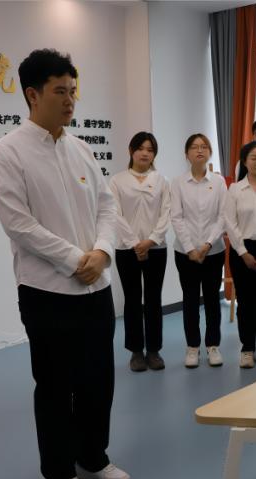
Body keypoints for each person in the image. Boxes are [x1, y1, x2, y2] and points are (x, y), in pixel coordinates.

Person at [0, 48, 128, 479]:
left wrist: (102, 251)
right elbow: (18, 223)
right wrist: (75, 259)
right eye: (59, 92)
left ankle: (93, 457)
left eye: (73, 91)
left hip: (95, 288)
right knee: (54, 385)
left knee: (98, 381)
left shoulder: (81, 147)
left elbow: (107, 205)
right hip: (47, 292)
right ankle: (58, 472)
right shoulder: (9, 152)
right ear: (32, 95)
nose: (70, 100)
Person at [110, 131, 171, 372]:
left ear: (154, 154)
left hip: (156, 249)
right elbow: (115, 214)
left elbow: (166, 213)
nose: (145, 153)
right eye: (140, 148)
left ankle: (154, 350)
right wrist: (136, 243)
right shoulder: (117, 181)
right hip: (127, 250)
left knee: (154, 300)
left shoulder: (161, 180)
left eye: (150, 149)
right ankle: (136, 351)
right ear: (131, 151)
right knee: (132, 300)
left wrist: (151, 241)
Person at [170, 132, 227, 369]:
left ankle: (213, 345)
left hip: (213, 252)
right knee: (191, 300)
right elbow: (176, 217)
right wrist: (191, 248)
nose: (200, 150)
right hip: (185, 254)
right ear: (187, 154)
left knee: (213, 299)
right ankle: (192, 347)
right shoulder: (178, 183)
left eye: (204, 146)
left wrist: (207, 244)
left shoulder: (219, 182)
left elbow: (223, 216)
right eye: (194, 147)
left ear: (210, 152)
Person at [223, 141, 256, 368]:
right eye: (253, 158)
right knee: (245, 301)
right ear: (244, 162)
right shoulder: (235, 190)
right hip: (241, 250)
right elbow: (230, 222)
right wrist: (243, 252)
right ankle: (247, 347)